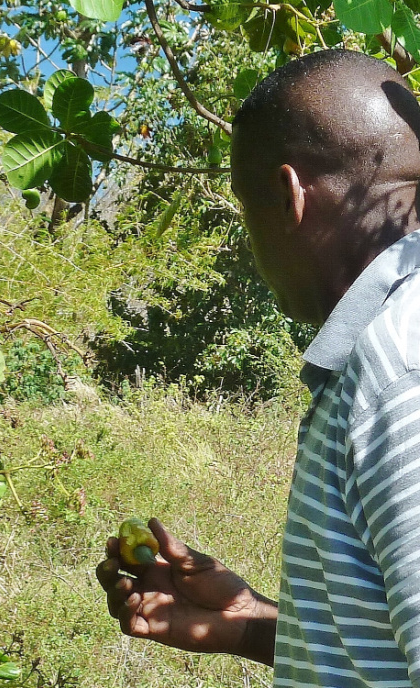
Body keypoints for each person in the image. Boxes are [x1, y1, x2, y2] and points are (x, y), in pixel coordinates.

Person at [96, 48, 420, 687]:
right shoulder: (381, 358)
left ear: (290, 194)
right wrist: (248, 623)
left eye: (248, 210)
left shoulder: (400, 371)